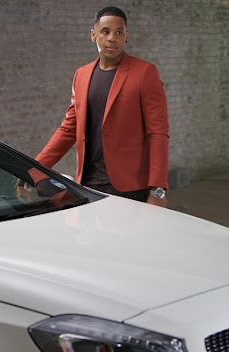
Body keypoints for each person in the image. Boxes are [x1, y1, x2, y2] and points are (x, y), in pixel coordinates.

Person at [34, 6, 169, 207]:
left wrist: (158, 190)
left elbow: (158, 133)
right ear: (93, 35)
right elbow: (69, 128)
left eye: (119, 32)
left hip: (130, 187)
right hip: (88, 184)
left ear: (126, 36)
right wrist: (35, 168)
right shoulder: (82, 75)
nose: (112, 38)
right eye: (105, 32)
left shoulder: (144, 73)